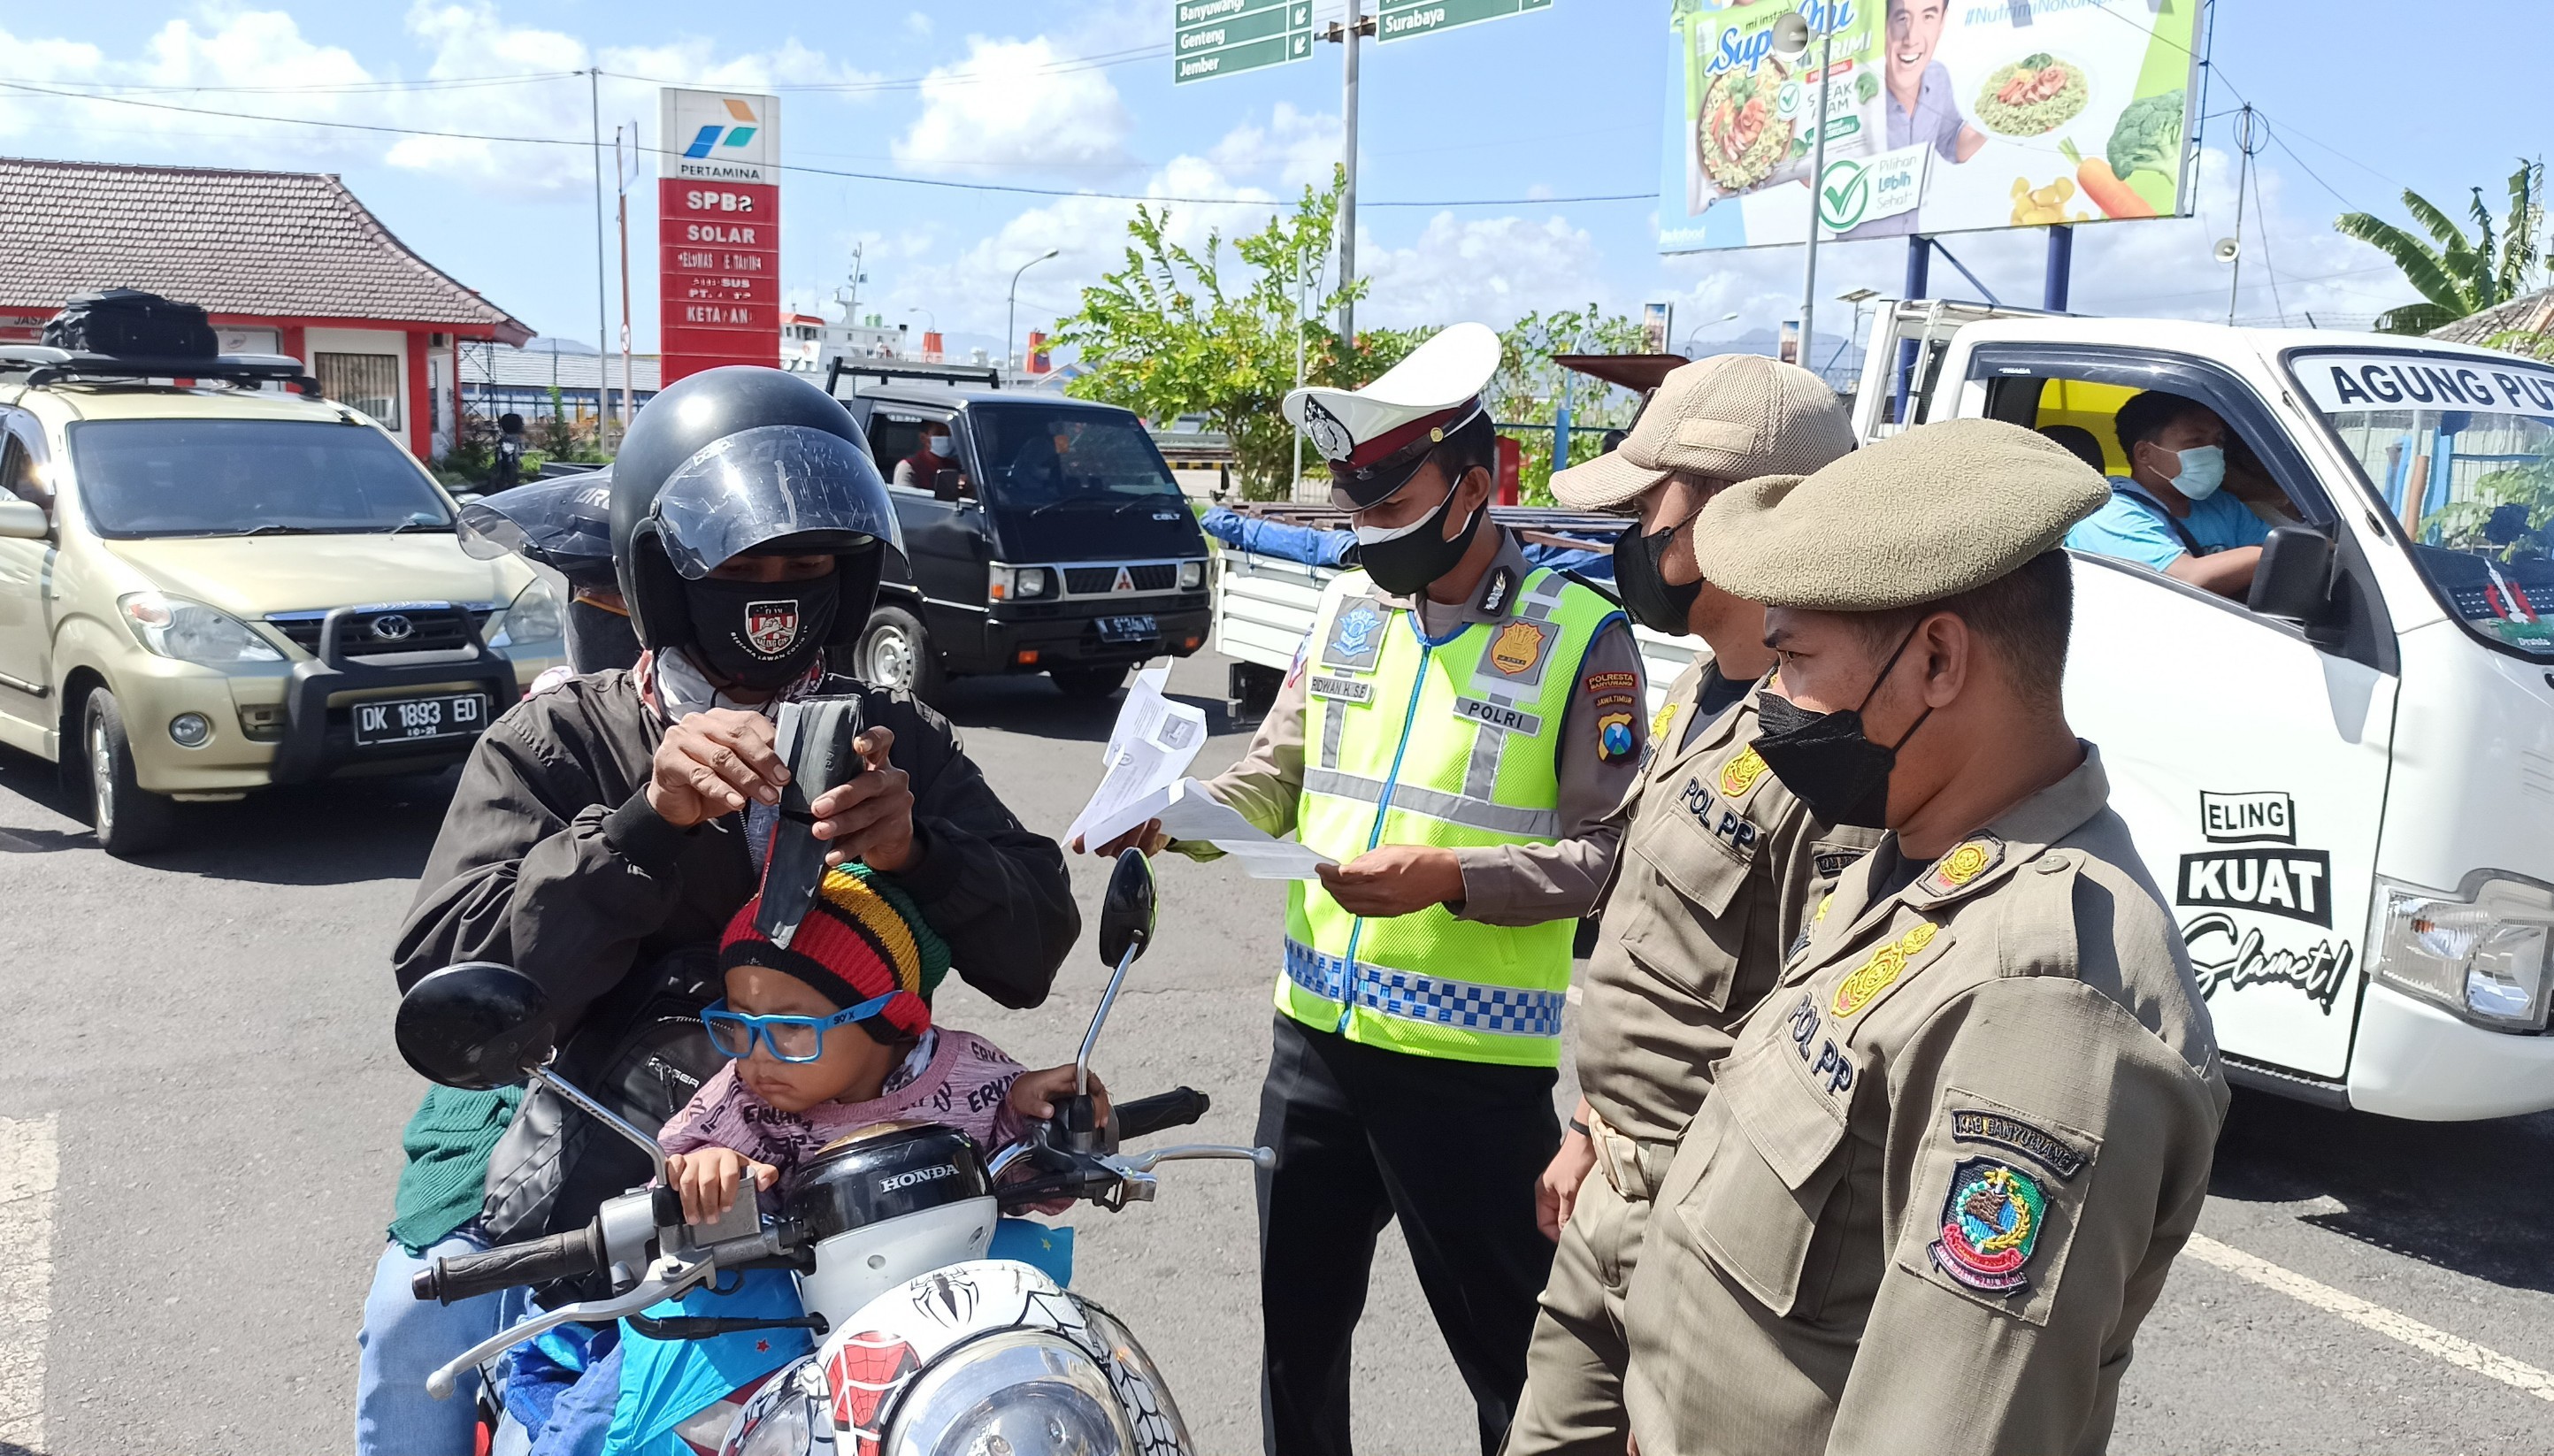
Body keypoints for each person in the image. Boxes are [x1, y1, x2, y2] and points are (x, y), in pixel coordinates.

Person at [357, 366, 1080, 1456]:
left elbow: (1033, 948)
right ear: (664, 571)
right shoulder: (556, 741)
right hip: (587, 1134)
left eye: (807, 565)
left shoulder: (902, 740)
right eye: (742, 563)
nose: (777, 588)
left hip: (852, 1145)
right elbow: (453, 973)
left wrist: (922, 851)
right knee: (420, 1319)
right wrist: (642, 824)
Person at [1087, 322, 1646, 1456]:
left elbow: (1607, 860)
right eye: (1356, 508)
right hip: (1314, 1049)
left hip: (1469, 1070)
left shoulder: (1582, 637)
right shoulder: (1345, 617)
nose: (1366, 532)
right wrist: (1176, 814)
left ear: (1474, 489)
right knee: (1296, 1340)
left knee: (1515, 1363)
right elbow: (1273, 780)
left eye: (1389, 507)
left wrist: (1451, 876)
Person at [1621, 418, 2229, 1456]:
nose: (1771, 705)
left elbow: (1950, 1426)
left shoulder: (2042, 1000)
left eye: (1797, 661)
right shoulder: (1903, 864)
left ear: (1938, 657)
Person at [1507, 354, 1876, 1456]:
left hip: (1710, 1225)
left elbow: (1821, 1037)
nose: (1625, 532)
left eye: (1643, 504)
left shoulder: (1830, 744)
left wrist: (1698, 1260)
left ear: (1736, 513)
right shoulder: (1697, 687)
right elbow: (1654, 945)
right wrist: (1590, 1125)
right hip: (1607, 1188)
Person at [519, 863, 1101, 1456]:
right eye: (738, 1025)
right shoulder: (740, 1097)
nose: (756, 1054)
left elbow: (1039, 1183)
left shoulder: (969, 1075)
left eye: (790, 1029)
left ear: (888, 1017)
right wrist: (702, 1171)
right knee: (611, 1413)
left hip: (944, 1309)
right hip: (760, 1316)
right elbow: (671, 1177)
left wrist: (1038, 1117)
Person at [2064, 390, 2267, 599]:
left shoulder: (2221, 504)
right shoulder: (2109, 513)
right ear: (2145, 453)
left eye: (2217, 442)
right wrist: (2269, 554)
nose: (2212, 451)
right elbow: (2185, 580)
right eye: (2195, 441)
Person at [456, 471, 641, 678]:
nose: (586, 601)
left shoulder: (675, 703)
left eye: (608, 587)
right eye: (580, 584)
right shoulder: (554, 697)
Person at [1841, 0, 1986, 240]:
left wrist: (1994, 120)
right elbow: (1816, 174)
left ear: (1942, 22)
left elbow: (1954, 144)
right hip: (1851, 253)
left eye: (1928, 17)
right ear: (1883, 23)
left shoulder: (1937, 77)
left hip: (1911, 244)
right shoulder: (1852, 88)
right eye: (1902, 19)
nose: (1912, 38)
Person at [891, 419, 964, 494]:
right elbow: (906, 500)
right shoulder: (908, 467)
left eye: (949, 434)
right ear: (923, 438)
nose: (946, 438)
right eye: (939, 434)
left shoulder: (953, 466)